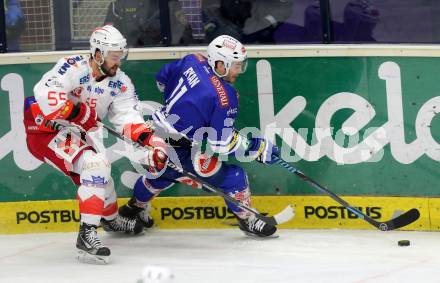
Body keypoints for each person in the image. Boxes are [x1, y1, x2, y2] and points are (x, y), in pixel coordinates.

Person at [23, 25, 168, 264]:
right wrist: (79, 113)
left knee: (101, 177)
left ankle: (109, 219)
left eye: (120, 56)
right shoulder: (73, 66)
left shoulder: (120, 83)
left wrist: (152, 142)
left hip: (74, 133)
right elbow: (44, 93)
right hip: (45, 130)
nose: (117, 62)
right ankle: (86, 235)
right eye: (113, 57)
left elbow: (128, 120)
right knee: (96, 164)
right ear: (98, 54)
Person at [118, 35, 280, 238]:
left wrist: (184, 107)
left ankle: (132, 210)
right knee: (234, 178)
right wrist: (256, 148)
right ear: (220, 64)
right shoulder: (225, 97)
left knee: (161, 175)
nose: (239, 71)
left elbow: (161, 78)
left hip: (151, 134)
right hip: (178, 149)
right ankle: (248, 220)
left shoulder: (193, 60)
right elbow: (221, 144)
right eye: (236, 66)